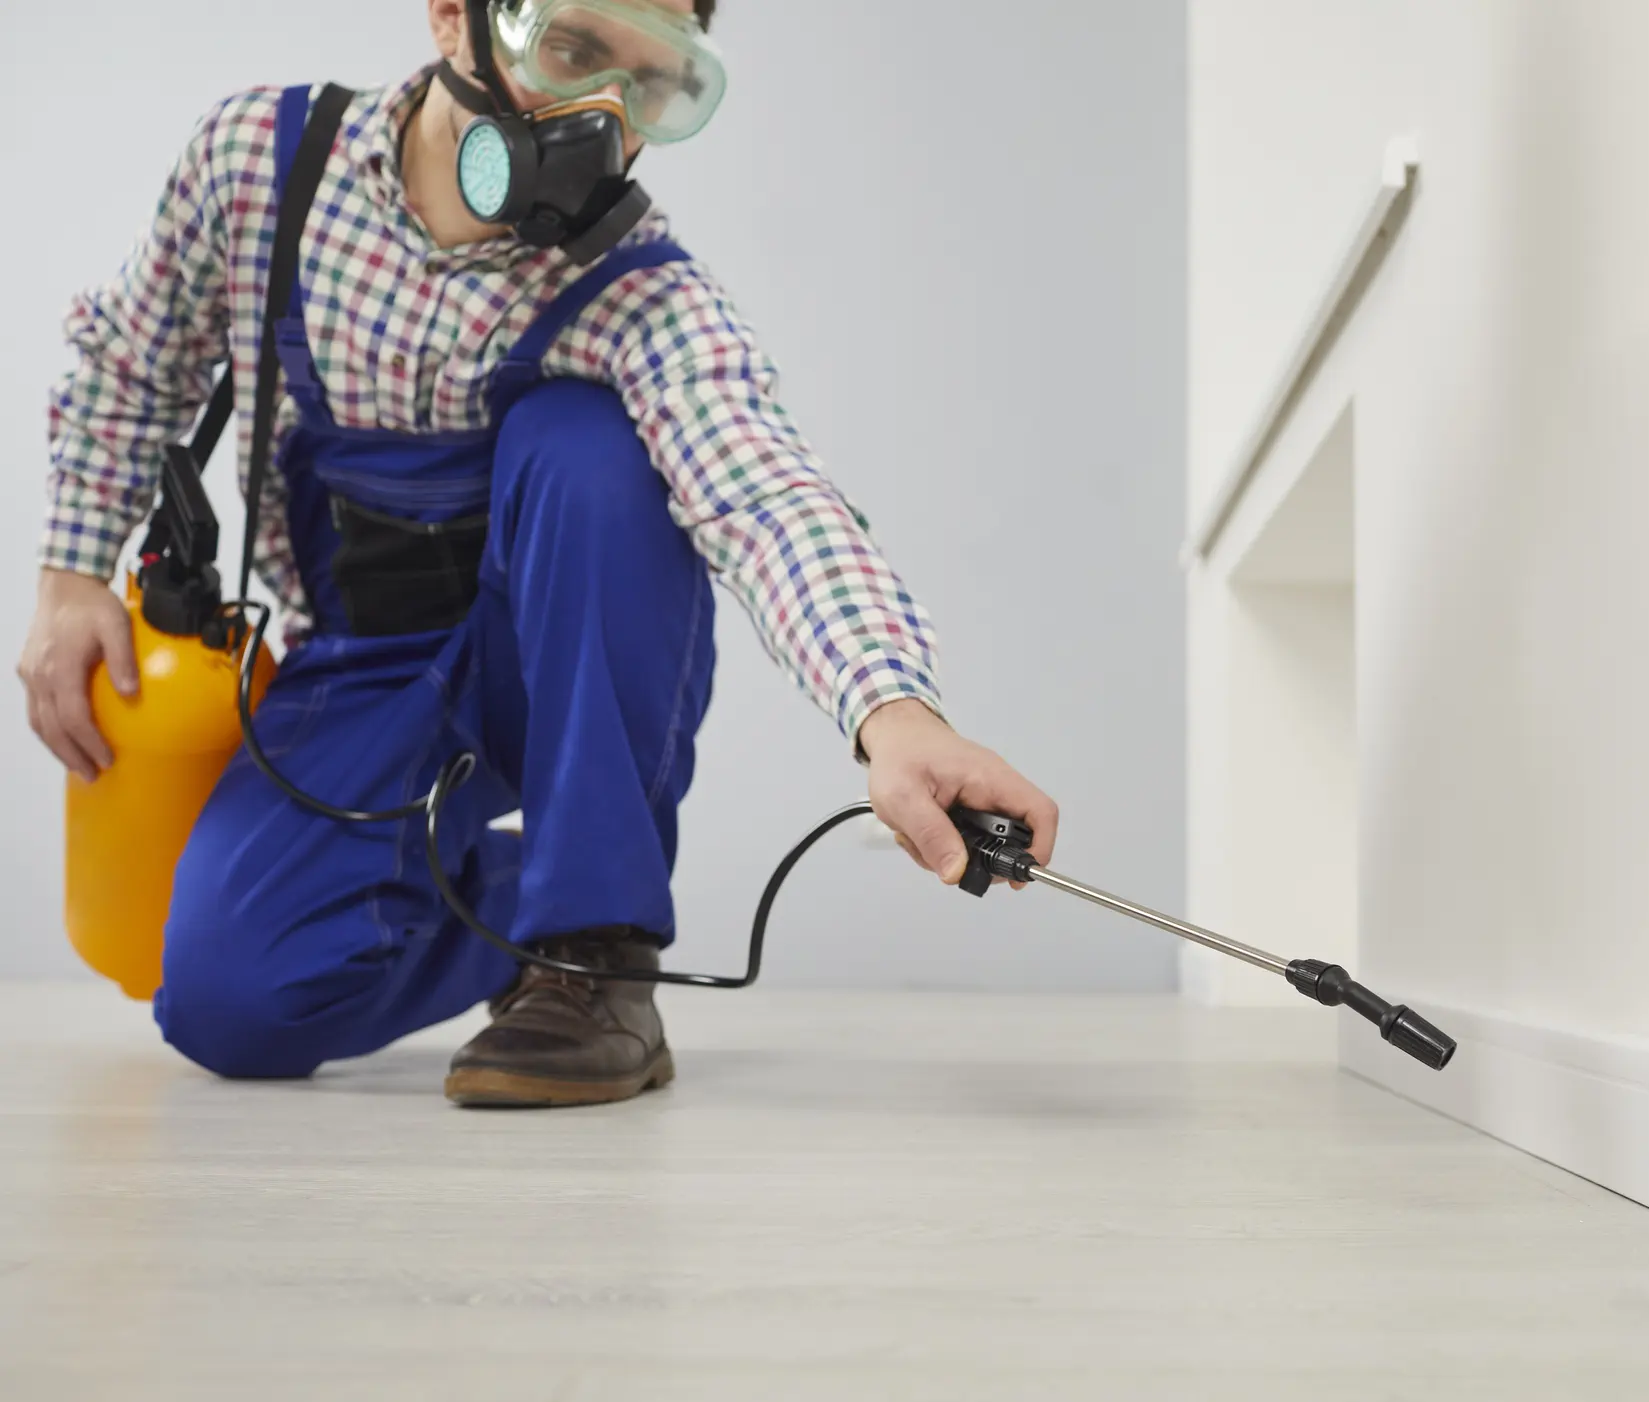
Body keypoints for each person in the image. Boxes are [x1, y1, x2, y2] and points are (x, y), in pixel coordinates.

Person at [17, 0, 1059, 1107]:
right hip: (365, 660)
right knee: (230, 1003)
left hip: (560, 659)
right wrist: (72, 569)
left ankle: (592, 947)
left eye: (649, 83)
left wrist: (893, 713)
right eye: (571, 50)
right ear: (454, 20)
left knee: (591, 445)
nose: (600, 116)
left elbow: (766, 492)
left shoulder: (642, 295)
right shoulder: (262, 169)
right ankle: (522, 907)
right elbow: (132, 364)